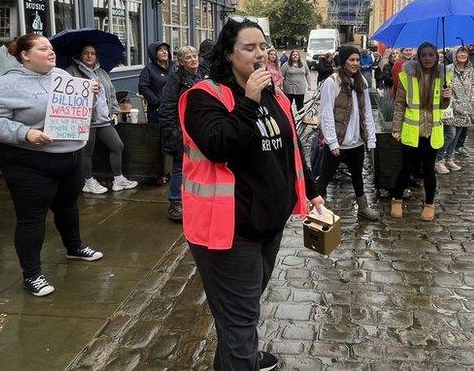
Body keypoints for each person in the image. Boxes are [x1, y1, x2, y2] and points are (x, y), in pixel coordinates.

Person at [179, 19, 322, 370]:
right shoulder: (203, 97)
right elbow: (218, 145)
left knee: (240, 311)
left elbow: (290, 149)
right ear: (228, 54)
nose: (259, 54)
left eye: (262, 46)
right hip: (228, 231)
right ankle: (243, 359)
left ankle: (235, 357)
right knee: (240, 317)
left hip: (269, 224)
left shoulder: (276, 95)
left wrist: (312, 194)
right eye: (249, 47)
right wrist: (249, 99)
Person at [0, 34, 104, 296]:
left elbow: (77, 111)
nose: (51, 52)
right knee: (32, 219)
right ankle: (32, 274)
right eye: (43, 48)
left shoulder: (63, 77)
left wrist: (87, 94)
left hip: (70, 157)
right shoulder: (6, 85)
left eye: (51, 48)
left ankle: (74, 247)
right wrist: (25, 133)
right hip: (29, 162)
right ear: (25, 55)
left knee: (68, 207)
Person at [390, 42, 451, 221]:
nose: (427, 59)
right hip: (412, 131)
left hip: (432, 132)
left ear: (436, 57)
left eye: (431, 55)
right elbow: (400, 104)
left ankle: (430, 203)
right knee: (406, 168)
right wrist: (396, 128)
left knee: (429, 170)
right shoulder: (407, 76)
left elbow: (442, 106)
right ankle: (397, 199)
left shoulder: (443, 76)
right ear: (418, 57)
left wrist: (447, 98)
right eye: (424, 55)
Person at [64, 45, 138, 193]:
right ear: (80, 55)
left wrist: (114, 111)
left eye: (92, 53)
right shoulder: (71, 72)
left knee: (117, 146)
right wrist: (88, 91)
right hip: (86, 120)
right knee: (87, 152)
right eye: (86, 53)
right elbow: (68, 96)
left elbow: (111, 93)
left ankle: (118, 179)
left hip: (104, 119)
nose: (89, 56)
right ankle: (88, 181)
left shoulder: (101, 72)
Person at [317, 46, 378, 220]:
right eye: (351, 60)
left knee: (357, 175)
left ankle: (363, 207)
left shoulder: (362, 82)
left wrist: (370, 139)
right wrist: (333, 141)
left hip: (356, 141)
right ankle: (317, 209)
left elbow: (367, 112)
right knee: (326, 174)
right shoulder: (332, 82)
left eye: (357, 60)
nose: (355, 63)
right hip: (339, 141)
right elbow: (326, 112)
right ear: (343, 62)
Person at [158, 45, 203, 223]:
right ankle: (175, 203)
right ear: (181, 62)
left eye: (194, 56)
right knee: (179, 167)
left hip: (199, 130)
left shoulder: (200, 76)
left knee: (198, 167)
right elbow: (166, 108)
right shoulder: (175, 80)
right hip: (181, 131)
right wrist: (175, 132)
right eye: (188, 58)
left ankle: (192, 200)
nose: (193, 59)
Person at [436, 47, 474, 173]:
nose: (462, 54)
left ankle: (449, 158)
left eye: (464, 52)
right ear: (455, 54)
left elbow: (473, 85)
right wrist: (453, 102)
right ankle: (438, 159)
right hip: (452, 108)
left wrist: (472, 100)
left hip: (466, 108)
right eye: (460, 52)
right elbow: (444, 89)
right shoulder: (448, 69)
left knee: (457, 136)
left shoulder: (470, 69)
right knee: (450, 135)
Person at [138, 42, 174, 124]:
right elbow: (143, 88)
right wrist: (157, 102)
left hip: (173, 109)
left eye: (166, 49)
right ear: (154, 53)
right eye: (161, 50)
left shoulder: (173, 66)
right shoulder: (148, 69)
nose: (164, 52)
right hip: (157, 110)